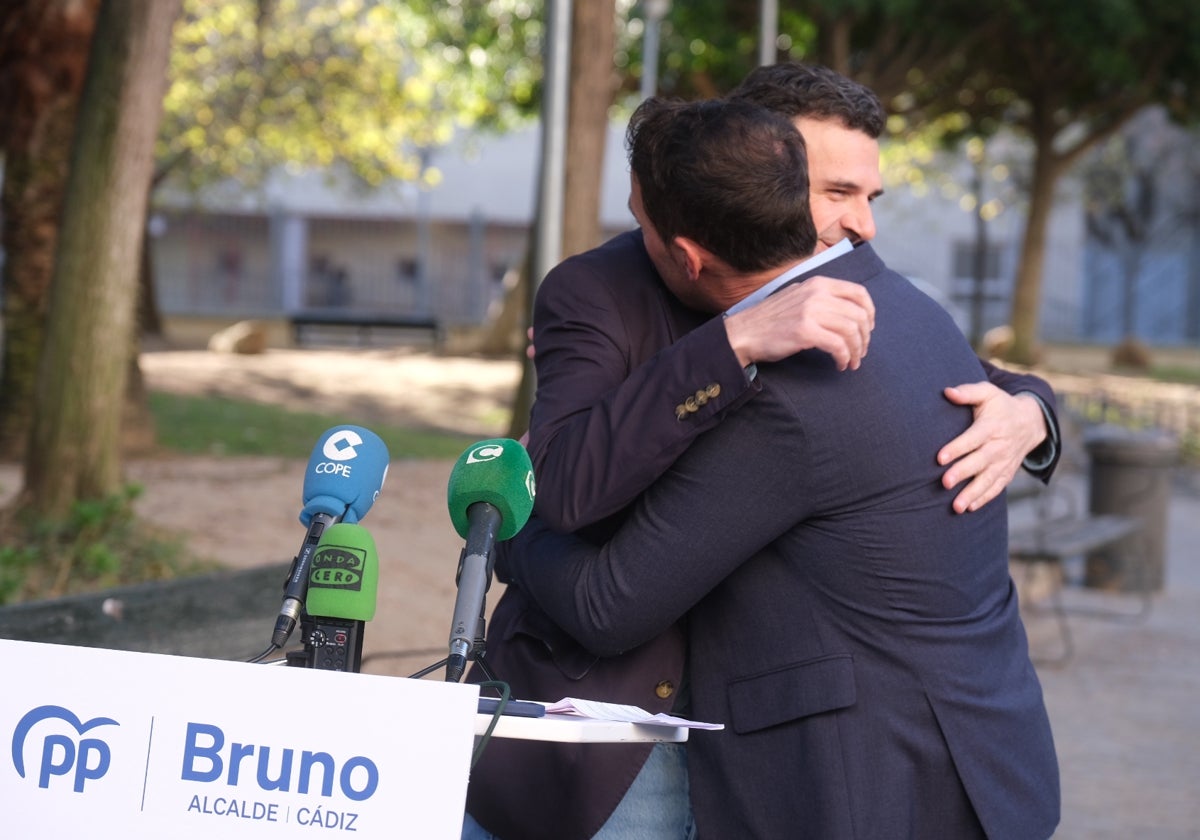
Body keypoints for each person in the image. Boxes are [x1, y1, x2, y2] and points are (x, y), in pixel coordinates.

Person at [464, 64, 1060, 840]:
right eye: (834, 192)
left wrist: (1034, 411)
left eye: (868, 197)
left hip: (863, 761)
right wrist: (731, 343)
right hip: (614, 730)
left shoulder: (862, 324)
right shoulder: (601, 292)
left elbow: (609, 593)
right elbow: (570, 481)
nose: (861, 227)